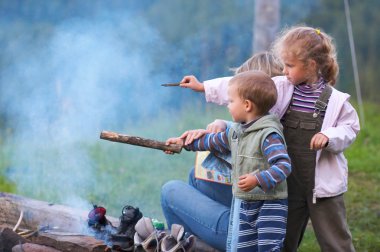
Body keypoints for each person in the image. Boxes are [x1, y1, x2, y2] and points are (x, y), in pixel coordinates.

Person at [180, 26, 360, 251]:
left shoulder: (337, 101)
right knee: (283, 238)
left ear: (311, 66)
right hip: (286, 180)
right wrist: (203, 87)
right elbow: (242, 86)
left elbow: (349, 128)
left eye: (290, 66)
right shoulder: (283, 87)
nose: (284, 71)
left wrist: (328, 136)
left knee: (335, 239)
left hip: (322, 186)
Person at [160, 52, 284, 251]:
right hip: (245, 213)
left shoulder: (266, 136)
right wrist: (183, 142)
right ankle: (193, 242)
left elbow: (280, 165)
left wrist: (258, 179)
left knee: (170, 191)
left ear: (248, 104)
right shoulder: (266, 124)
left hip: (243, 228)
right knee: (197, 176)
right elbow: (215, 140)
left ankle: (189, 245)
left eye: (231, 101)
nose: (227, 104)